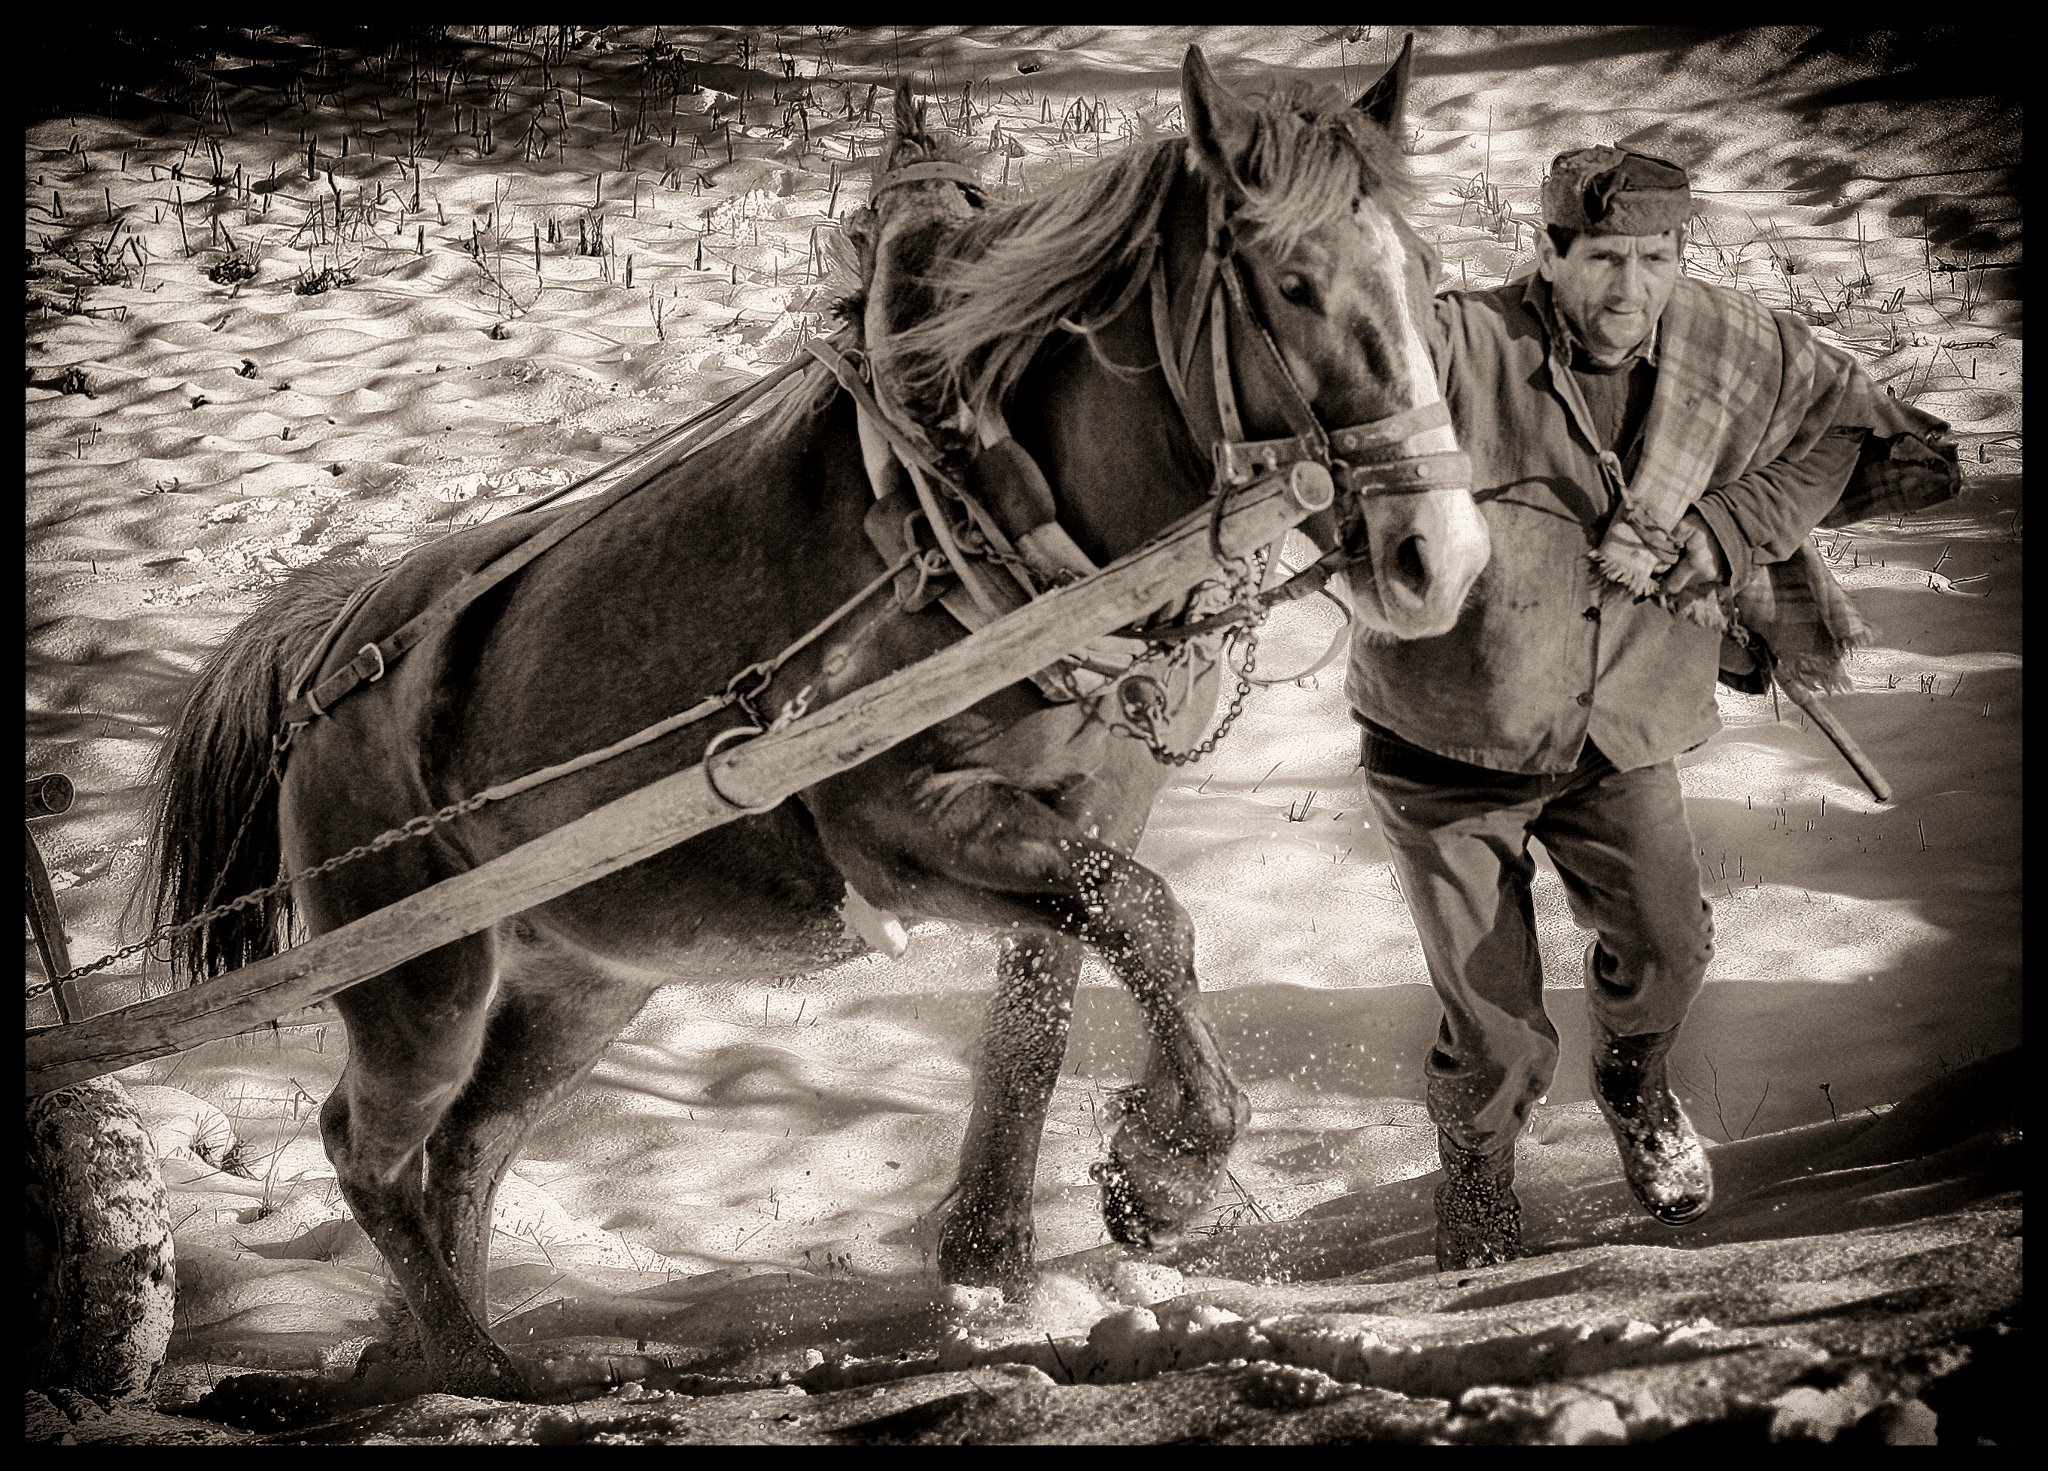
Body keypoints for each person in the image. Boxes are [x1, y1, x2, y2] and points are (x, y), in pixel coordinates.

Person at [1348, 146, 1959, 1270]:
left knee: (1669, 949)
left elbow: (1858, 428)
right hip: (1443, 747)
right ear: (1547, 251)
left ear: (1680, 256)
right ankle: (1477, 1182)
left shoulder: (1732, 351)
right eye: (1602, 260)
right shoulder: (1463, 345)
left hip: (1617, 731)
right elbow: (1356, 362)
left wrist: (1727, 531)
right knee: (1492, 1029)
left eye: (1654, 258)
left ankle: (1632, 1083)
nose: (1628, 288)